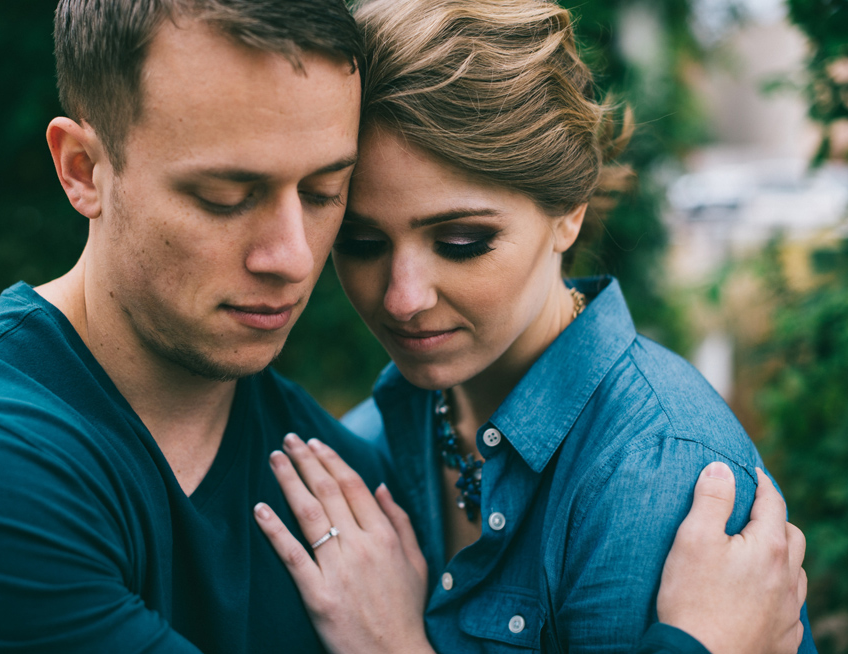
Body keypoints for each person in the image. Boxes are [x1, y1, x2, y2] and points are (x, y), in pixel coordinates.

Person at [0, 1, 804, 653]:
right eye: (225, 196)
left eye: (322, 195)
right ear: (83, 169)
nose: (291, 257)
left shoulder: (342, 481)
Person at [251, 0, 815, 653]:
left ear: (568, 210)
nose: (403, 299)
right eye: (360, 243)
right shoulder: (372, 436)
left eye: (461, 242)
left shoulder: (658, 475)